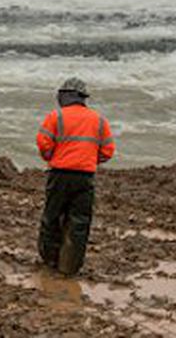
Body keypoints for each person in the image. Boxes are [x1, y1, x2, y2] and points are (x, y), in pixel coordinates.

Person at [36, 77, 115, 276]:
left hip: (59, 175)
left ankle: (51, 260)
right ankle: (69, 267)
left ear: (65, 95)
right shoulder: (98, 120)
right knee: (79, 222)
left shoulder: (56, 117)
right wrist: (88, 159)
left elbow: (44, 143)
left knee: (52, 217)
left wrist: (52, 157)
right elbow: (108, 150)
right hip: (85, 176)